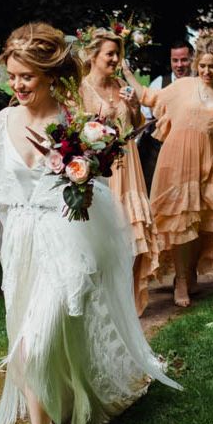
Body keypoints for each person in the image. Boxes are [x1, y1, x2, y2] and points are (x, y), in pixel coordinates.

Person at [0, 22, 181, 424]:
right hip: (23, 246)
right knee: (27, 346)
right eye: (12, 76)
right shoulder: (5, 121)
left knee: (37, 343)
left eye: (26, 76)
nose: (18, 85)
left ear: (48, 75)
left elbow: (94, 187)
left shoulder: (72, 121)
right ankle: (50, 421)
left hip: (63, 241)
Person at [133, 32, 213, 308]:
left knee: (202, 221)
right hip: (173, 163)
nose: (206, 71)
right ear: (196, 64)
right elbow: (149, 98)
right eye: (203, 65)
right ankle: (181, 281)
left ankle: (191, 273)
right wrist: (126, 71)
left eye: (212, 66)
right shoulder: (184, 85)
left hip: (205, 162)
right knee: (181, 224)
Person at [79, 28, 159, 315]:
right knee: (106, 234)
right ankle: (105, 297)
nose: (115, 59)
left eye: (117, 54)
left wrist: (134, 106)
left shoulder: (119, 87)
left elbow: (136, 124)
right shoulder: (81, 89)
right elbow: (76, 132)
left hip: (129, 163)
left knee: (132, 231)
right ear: (93, 55)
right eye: (110, 54)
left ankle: (127, 297)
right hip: (102, 170)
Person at [138, 40, 194, 190]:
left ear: (192, 59)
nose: (179, 65)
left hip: (191, 153)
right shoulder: (159, 83)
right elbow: (146, 118)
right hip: (159, 152)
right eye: (175, 60)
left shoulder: (200, 83)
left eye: (184, 60)